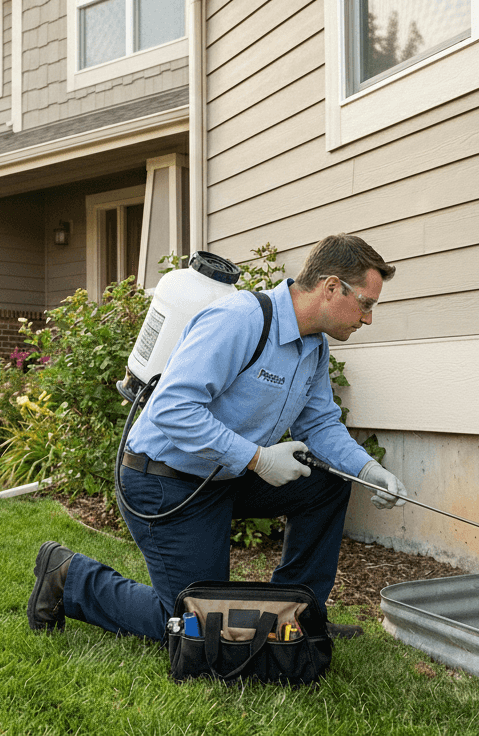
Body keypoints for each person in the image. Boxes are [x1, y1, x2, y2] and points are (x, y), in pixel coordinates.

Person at [27, 233, 409, 642]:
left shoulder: (312, 346)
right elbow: (171, 408)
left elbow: (319, 426)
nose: (367, 318)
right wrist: (259, 459)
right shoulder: (241, 319)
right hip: (164, 480)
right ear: (331, 287)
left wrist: (368, 470)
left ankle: (295, 616)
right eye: (366, 304)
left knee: (327, 483)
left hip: (223, 475)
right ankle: (69, 576)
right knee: (199, 626)